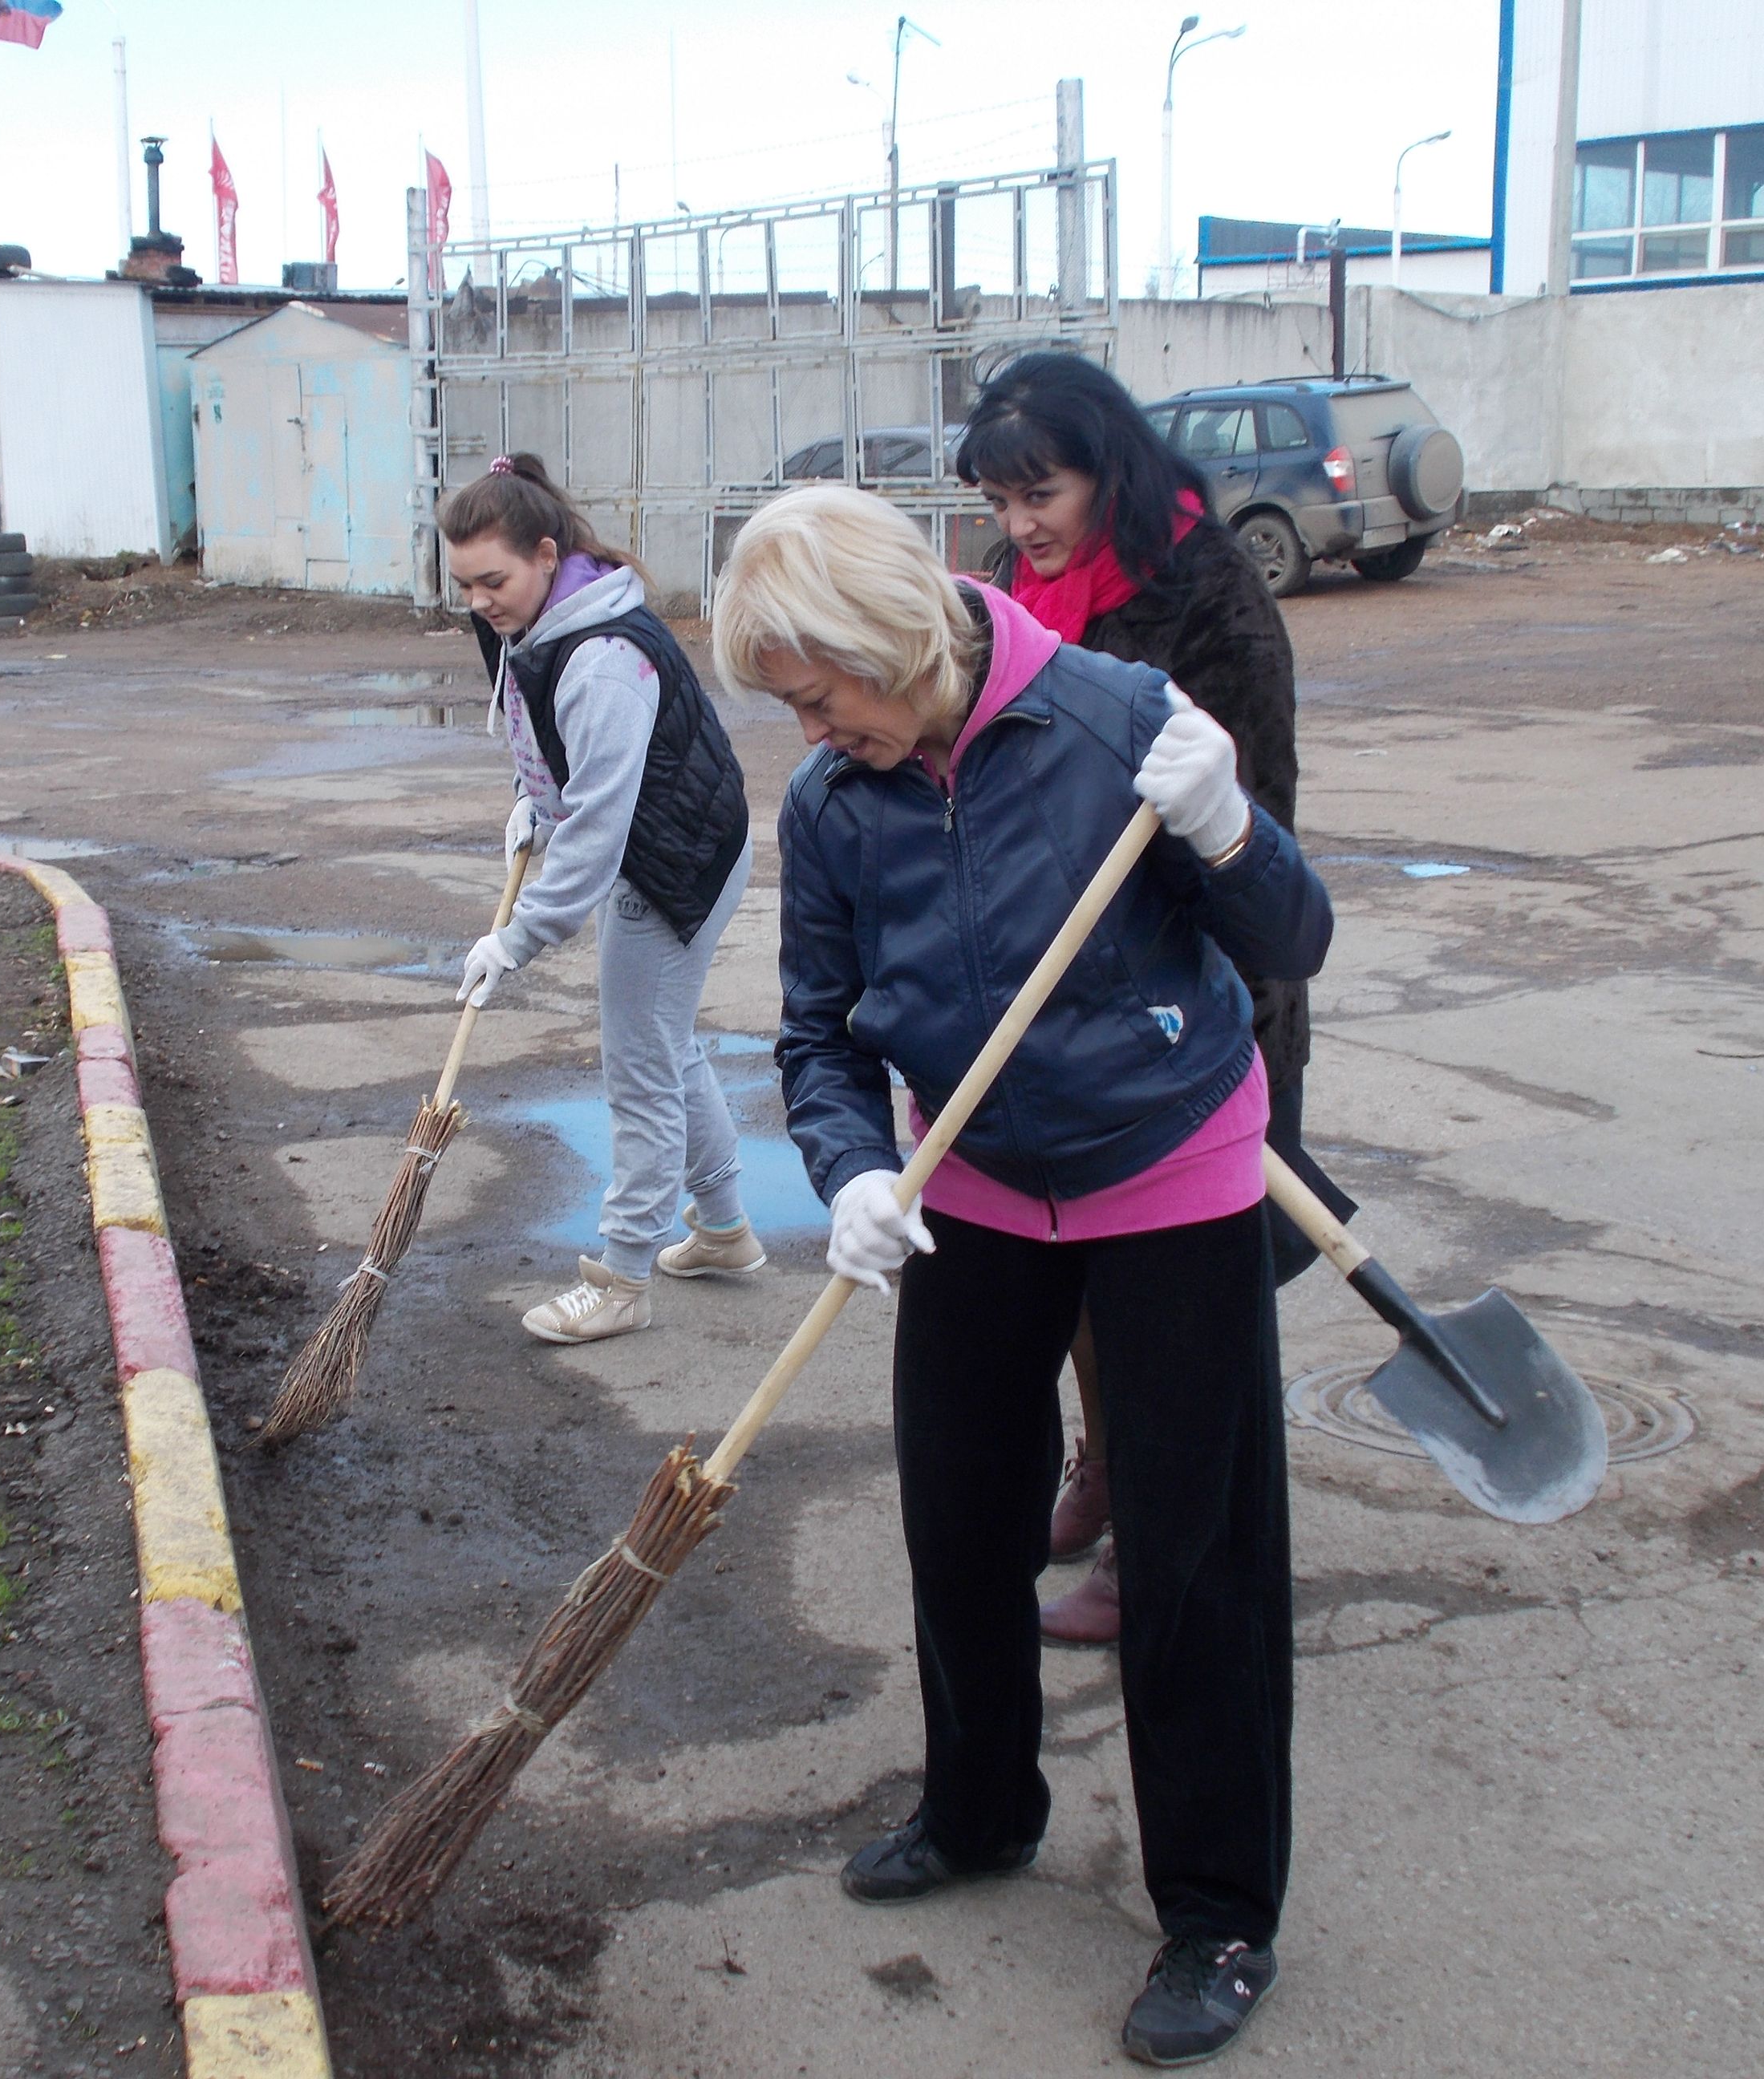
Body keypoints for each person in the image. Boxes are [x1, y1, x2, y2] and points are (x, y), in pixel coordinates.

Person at [714, 484, 1331, 2067]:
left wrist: (1225, 823)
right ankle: (981, 1808)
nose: (810, 726)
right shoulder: (842, 805)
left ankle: (1218, 1914)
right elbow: (821, 1025)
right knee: (959, 1525)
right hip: (971, 1190)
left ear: (887, 636)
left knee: (1192, 1568)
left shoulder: (1120, 721)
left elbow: (1292, 935)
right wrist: (848, 1164)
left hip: (1168, 1174)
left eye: (816, 691)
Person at [957, 351, 1354, 1651]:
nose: (1020, 526)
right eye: (1001, 502)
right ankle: (1106, 1465)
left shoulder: (1209, 601)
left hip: (1198, 1007)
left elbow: (1258, 832)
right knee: (1071, 1281)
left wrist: (1190, 996)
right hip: (1052, 998)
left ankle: (1166, 1543)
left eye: (1042, 494)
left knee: (1177, 1310)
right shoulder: (1017, 593)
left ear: (1109, 466)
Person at [442, 454, 763, 1343]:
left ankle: (623, 1278)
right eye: (463, 584)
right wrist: (531, 804)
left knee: (640, 1068)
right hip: (672, 836)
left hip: (675, 862)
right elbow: (544, 743)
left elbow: (599, 828)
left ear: (548, 555)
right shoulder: (539, 619)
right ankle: (726, 1230)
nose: (479, 601)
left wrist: (517, 937)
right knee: (664, 1043)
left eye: (493, 580)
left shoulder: (603, 661)